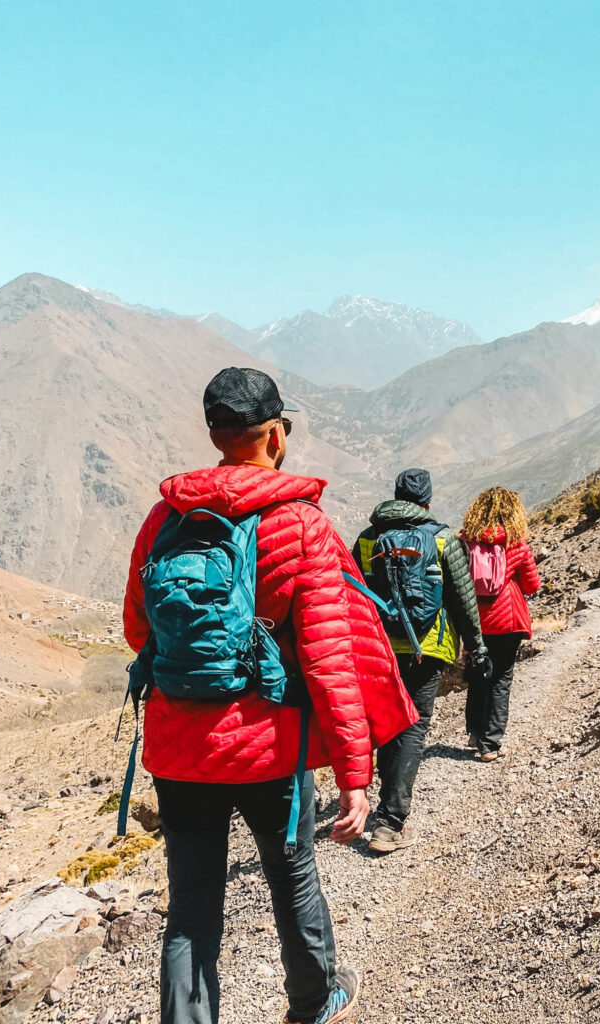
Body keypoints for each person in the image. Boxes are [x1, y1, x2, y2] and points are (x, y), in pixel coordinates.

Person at [123, 367, 418, 1024]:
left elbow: (137, 628)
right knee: (293, 880)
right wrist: (354, 777)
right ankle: (314, 1002)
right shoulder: (301, 525)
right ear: (276, 435)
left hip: (179, 749)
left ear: (215, 434)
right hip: (271, 751)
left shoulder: (164, 517)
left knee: (191, 912)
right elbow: (328, 658)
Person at [352, 468, 488, 853]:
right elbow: (462, 598)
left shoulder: (367, 539)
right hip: (429, 647)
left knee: (385, 722)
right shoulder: (443, 538)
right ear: (427, 500)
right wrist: (476, 645)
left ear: (395, 496)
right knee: (413, 725)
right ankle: (390, 822)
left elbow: (352, 590)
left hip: (379, 646)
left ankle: (376, 803)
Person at [461, 487, 541, 762]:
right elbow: (532, 585)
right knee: (501, 680)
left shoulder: (465, 543)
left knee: (477, 676)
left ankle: (474, 731)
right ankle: (490, 744)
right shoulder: (517, 544)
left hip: (476, 622)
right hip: (508, 622)